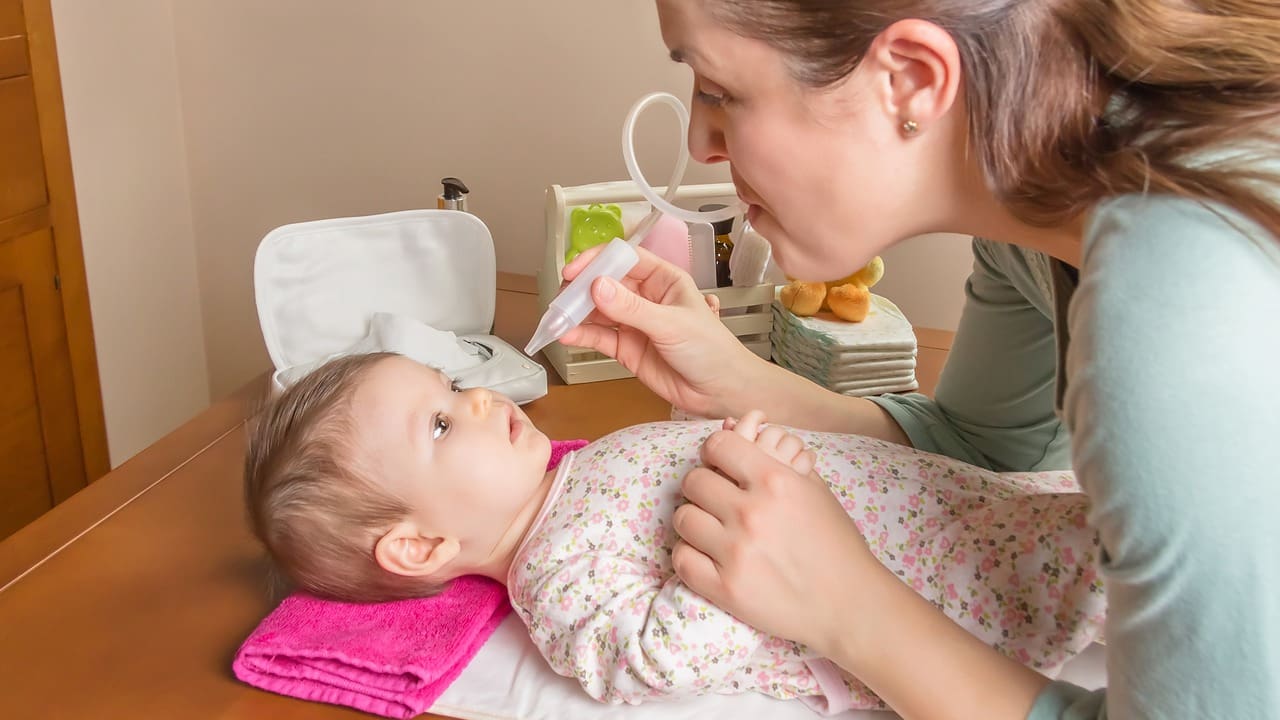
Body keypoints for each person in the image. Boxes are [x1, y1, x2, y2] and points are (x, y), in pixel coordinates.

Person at [557, 1, 1280, 718]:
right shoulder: (1031, 224)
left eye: (718, 90)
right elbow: (983, 450)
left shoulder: (1185, 309)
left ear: (908, 79)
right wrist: (735, 382)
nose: (700, 141)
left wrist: (845, 603)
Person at [243, 352, 1106, 710]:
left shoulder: (570, 474)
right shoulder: (555, 574)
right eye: (438, 426)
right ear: (422, 547)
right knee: (1103, 569)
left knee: (1084, 516)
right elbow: (651, 662)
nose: (474, 398)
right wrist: (749, 547)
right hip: (944, 586)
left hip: (955, 503)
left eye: (449, 383)